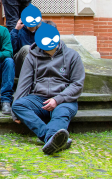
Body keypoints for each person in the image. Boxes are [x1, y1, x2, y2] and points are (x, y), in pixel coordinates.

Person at [12, 21, 85, 155]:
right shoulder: (32, 56)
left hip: (64, 100)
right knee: (18, 105)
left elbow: (77, 84)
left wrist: (57, 99)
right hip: (39, 99)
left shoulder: (72, 56)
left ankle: (52, 139)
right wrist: (14, 112)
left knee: (61, 114)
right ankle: (51, 137)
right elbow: (24, 83)